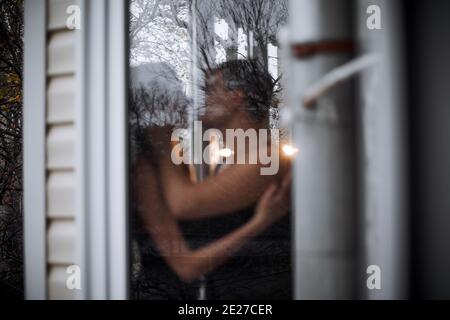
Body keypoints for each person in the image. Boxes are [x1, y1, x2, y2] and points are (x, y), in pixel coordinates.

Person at [132, 59, 292, 299]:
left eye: (209, 89)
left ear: (236, 96)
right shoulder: (224, 163)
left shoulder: (267, 158)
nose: (196, 100)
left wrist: (164, 138)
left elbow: (185, 206)